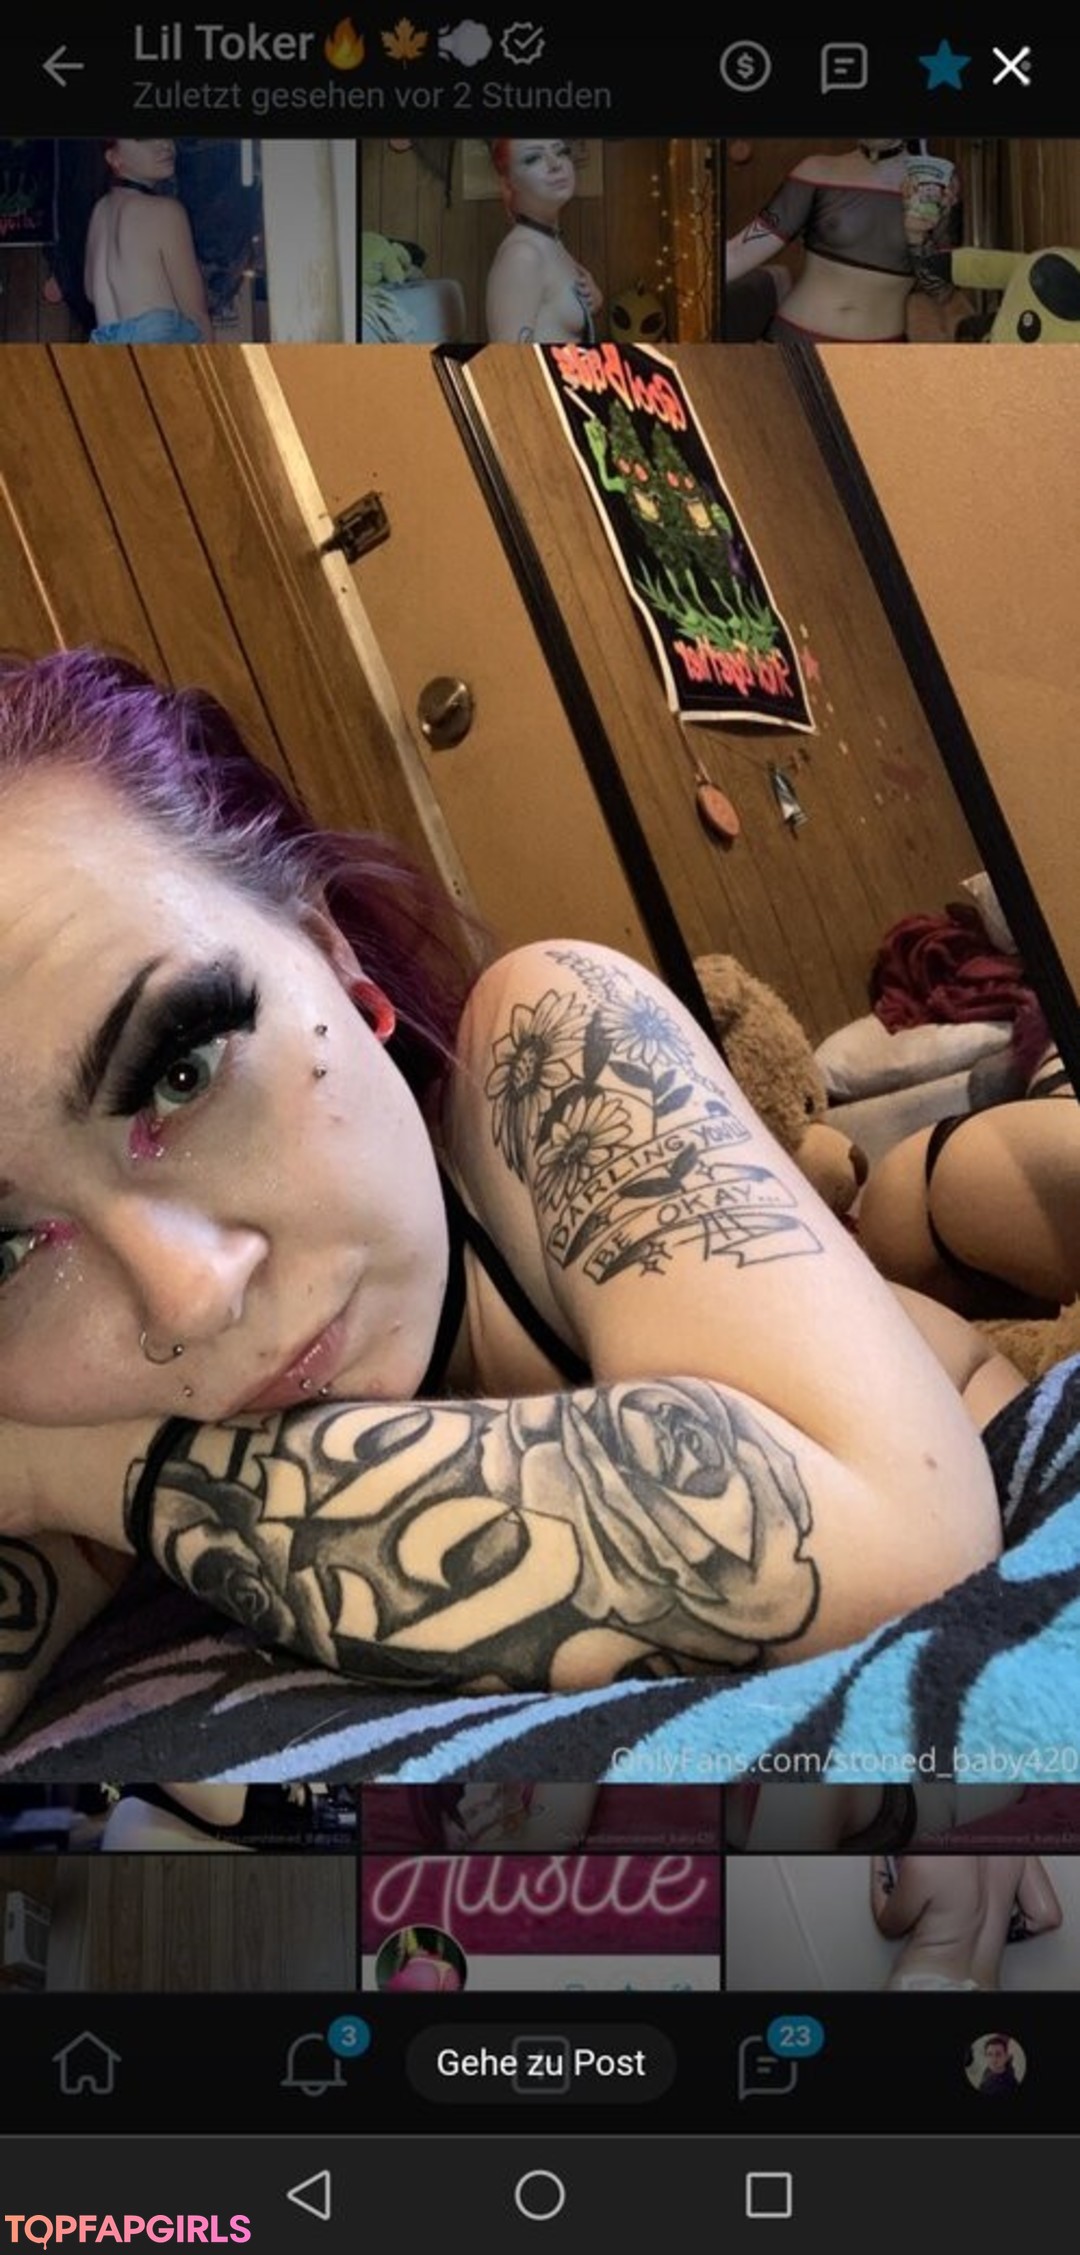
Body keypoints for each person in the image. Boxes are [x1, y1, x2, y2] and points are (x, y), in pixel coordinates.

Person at [0, 649, 1022, 1733]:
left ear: (329, 951)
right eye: (7, 1248)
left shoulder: (543, 1046)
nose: (191, 1295)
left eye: (184, 1070)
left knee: (967, 1179)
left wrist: (86, 1467)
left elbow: (899, 1537)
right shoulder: (45, 1375)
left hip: (955, 1343)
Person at [724, 139, 961, 343]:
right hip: (794, 339)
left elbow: (941, 292)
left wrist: (917, 237)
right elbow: (738, 252)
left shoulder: (938, 183)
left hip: (877, 356)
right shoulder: (816, 170)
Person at [83, 138, 212, 345]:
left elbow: (91, 292)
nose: (165, 143)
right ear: (113, 157)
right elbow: (196, 313)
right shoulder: (165, 212)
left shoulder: (100, 211)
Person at [871, 1853, 1062, 1991]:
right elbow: (1046, 1917)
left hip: (924, 1983)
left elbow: (889, 1927)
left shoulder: (926, 1860)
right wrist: (991, 1934)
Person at [485, 139, 603, 344]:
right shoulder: (522, 256)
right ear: (509, 182)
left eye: (561, 151)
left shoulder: (550, 239)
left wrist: (594, 301)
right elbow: (510, 358)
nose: (555, 163)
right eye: (533, 158)